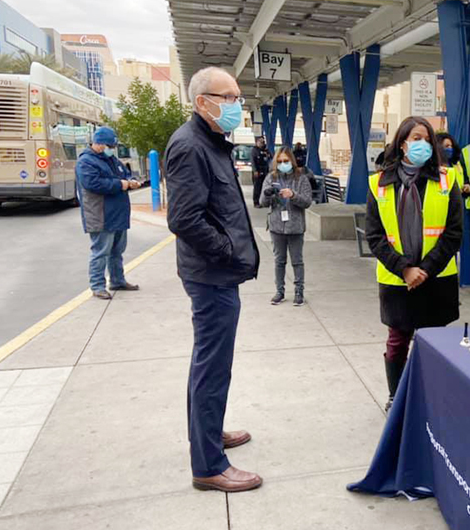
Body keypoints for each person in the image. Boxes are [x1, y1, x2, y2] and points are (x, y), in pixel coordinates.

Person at [165, 66, 262, 493]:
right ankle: (208, 465)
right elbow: (184, 218)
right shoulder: (190, 146)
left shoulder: (210, 142)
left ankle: (208, 433)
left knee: (209, 364)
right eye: (229, 97)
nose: (237, 105)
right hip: (211, 276)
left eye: (238, 96)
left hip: (215, 274)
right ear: (203, 102)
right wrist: (226, 251)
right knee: (212, 367)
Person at [365, 116, 463, 412]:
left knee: (436, 343)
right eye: (415, 138)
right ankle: (397, 397)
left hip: (436, 279)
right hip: (398, 280)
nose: (421, 144)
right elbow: (375, 235)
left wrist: (425, 269)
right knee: (397, 340)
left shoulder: (448, 179)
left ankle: (434, 397)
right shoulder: (378, 183)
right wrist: (405, 268)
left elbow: (454, 232)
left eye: (426, 139)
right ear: (402, 143)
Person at [75, 126, 141, 300]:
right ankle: (97, 286)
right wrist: (121, 185)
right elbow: (93, 184)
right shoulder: (86, 162)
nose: (112, 150)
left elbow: (125, 173)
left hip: (117, 214)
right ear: (99, 144)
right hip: (100, 214)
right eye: (110, 146)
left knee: (117, 251)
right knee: (101, 251)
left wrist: (131, 180)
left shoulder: (111, 160)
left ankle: (118, 280)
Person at [260, 147, 313, 306]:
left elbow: (307, 201)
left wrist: (293, 195)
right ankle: (280, 291)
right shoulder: (271, 177)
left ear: (292, 161)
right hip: (277, 226)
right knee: (279, 260)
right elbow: (262, 202)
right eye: (280, 161)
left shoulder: (301, 179)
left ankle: (299, 292)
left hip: (295, 226)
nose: (283, 164)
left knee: (297, 260)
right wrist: (267, 194)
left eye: (286, 161)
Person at [436, 132, 470, 207]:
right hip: (440, 206)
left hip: (457, 205)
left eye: (451, 146)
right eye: (446, 146)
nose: (450, 149)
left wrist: (468, 188)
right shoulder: (433, 167)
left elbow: (465, 181)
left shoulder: (457, 164)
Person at [251, 136, 271, 208]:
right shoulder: (254, 150)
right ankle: (256, 202)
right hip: (258, 171)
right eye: (261, 142)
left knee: (265, 187)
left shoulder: (265, 150)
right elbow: (253, 161)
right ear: (257, 142)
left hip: (265, 170)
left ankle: (263, 201)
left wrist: (267, 152)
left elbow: (271, 157)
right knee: (257, 187)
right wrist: (255, 171)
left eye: (263, 142)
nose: (262, 143)